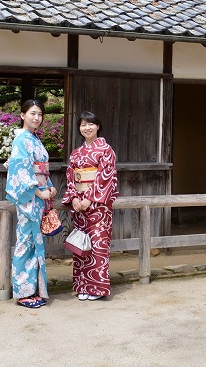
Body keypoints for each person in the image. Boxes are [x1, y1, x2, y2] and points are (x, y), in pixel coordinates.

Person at [5, 99, 57, 309]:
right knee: (25, 242)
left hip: (39, 196)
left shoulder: (34, 139)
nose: (37, 118)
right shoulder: (21, 141)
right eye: (32, 113)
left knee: (35, 244)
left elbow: (42, 170)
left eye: (40, 114)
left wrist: (50, 187)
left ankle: (34, 290)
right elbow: (19, 172)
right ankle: (22, 292)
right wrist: (38, 191)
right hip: (29, 199)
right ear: (22, 115)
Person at [62, 111, 119, 301]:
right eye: (83, 125)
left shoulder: (106, 150)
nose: (87, 128)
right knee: (81, 247)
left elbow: (105, 177)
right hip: (80, 208)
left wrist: (90, 199)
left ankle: (97, 288)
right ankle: (82, 286)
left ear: (98, 126)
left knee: (98, 247)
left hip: (99, 208)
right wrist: (74, 198)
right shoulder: (76, 153)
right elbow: (71, 178)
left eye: (91, 124)